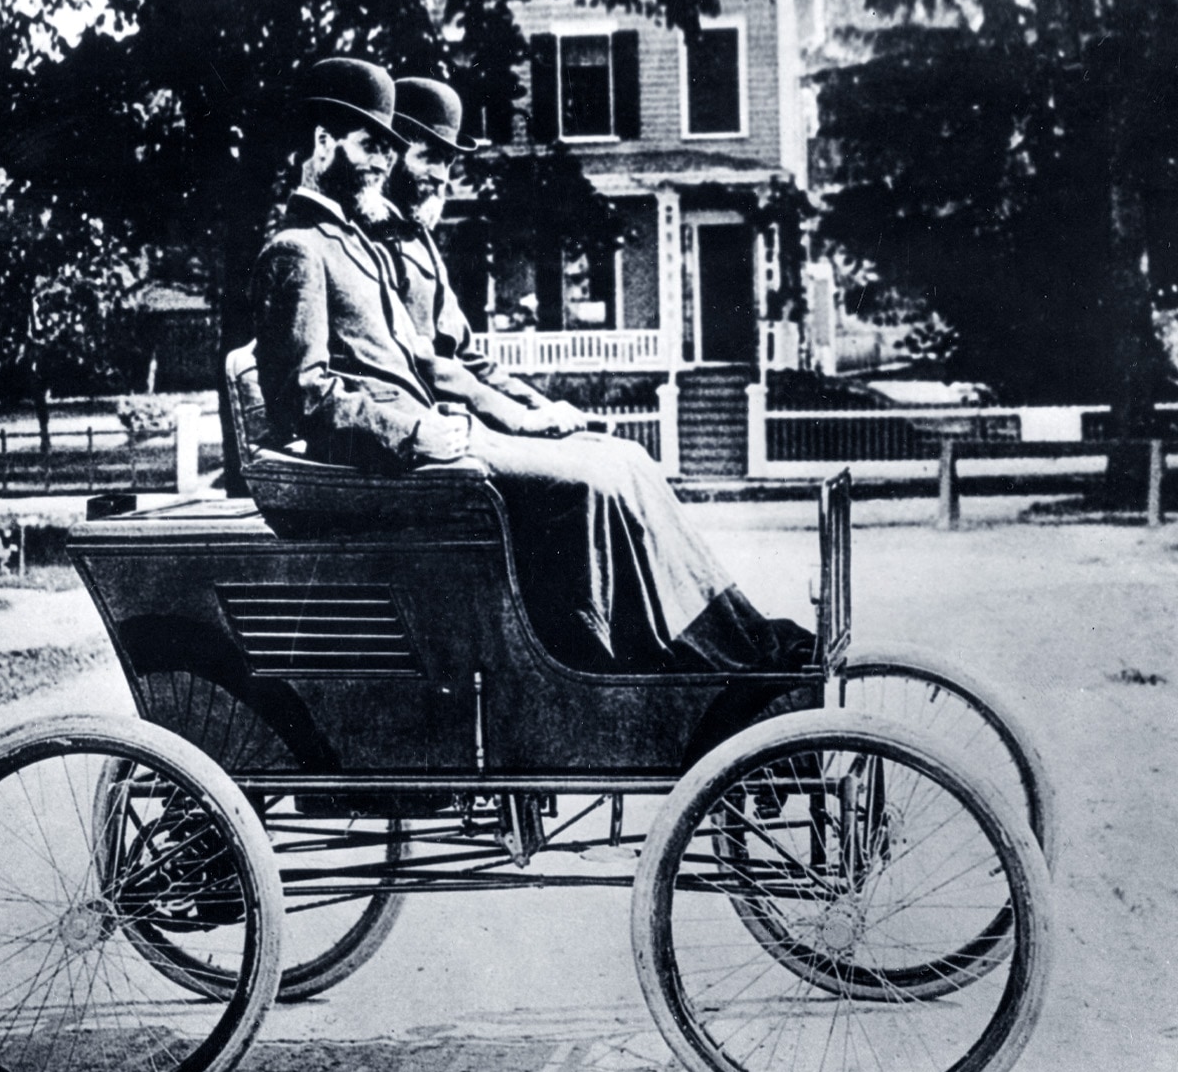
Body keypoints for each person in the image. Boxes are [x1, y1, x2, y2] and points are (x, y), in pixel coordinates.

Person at [252, 57, 807, 673]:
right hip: (393, 468)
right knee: (583, 487)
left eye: (389, 146)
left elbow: (422, 355)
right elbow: (308, 394)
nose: (383, 161)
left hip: (428, 449)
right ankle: (607, 671)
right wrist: (419, 432)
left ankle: (722, 640)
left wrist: (522, 411)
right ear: (323, 142)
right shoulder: (296, 250)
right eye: (371, 146)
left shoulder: (352, 244)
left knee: (619, 463)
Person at [373, 76, 587, 437]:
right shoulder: (369, 242)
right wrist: (518, 419)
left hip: (460, 420)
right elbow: (421, 361)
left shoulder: (420, 239)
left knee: (617, 456)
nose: (441, 177)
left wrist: (541, 407)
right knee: (591, 478)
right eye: (428, 157)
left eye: (448, 162)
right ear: (389, 156)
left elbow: (470, 357)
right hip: (426, 433)